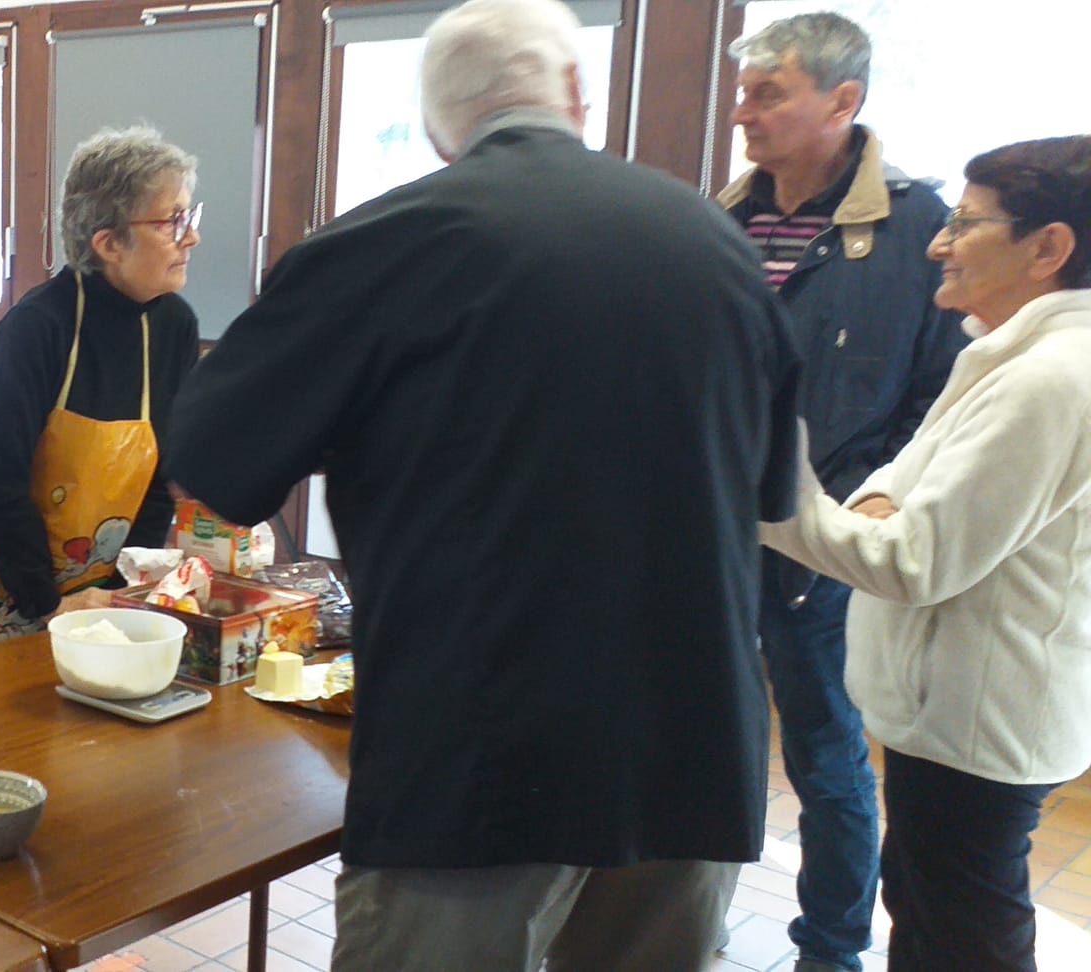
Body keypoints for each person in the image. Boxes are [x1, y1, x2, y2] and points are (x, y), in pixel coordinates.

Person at [163, 1, 802, 968]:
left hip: (479, 754)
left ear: (434, 125)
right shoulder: (718, 248)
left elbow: (212, 459)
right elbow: (770, 492)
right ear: (577, 94)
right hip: (694, 747)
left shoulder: (381, 247)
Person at [762, 135, 1091, 972]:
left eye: (967, 224)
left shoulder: (1048, 379)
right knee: (931, 904)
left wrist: (770, 482)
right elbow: (890, 496)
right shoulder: (1007, 355)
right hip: (959, 717)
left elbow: (909, 559)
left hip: (981, 723)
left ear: (1050, 247)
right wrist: (863, 517)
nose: (938, 243)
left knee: (963, 933)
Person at [714, 14, 969, 969]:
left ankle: (830, 947)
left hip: (824, 550)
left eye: (767, 93)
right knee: (705, 738)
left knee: (824, 759)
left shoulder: (918, 231)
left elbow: (941, 400)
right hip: (715, 534)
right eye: (743, 93)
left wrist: (864, 504)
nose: (743, 113)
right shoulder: (722, 219)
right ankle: (691, 914)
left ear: (843, 100)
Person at [0, 127, 201, 654]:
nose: (192, 237)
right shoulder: (38, 327)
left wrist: (122, 590)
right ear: (109, 243)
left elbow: (159, 479)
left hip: (97, 601)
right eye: (173, 221)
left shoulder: (174, 325)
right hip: (1, 588)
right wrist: (50, 604)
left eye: (191, 215)